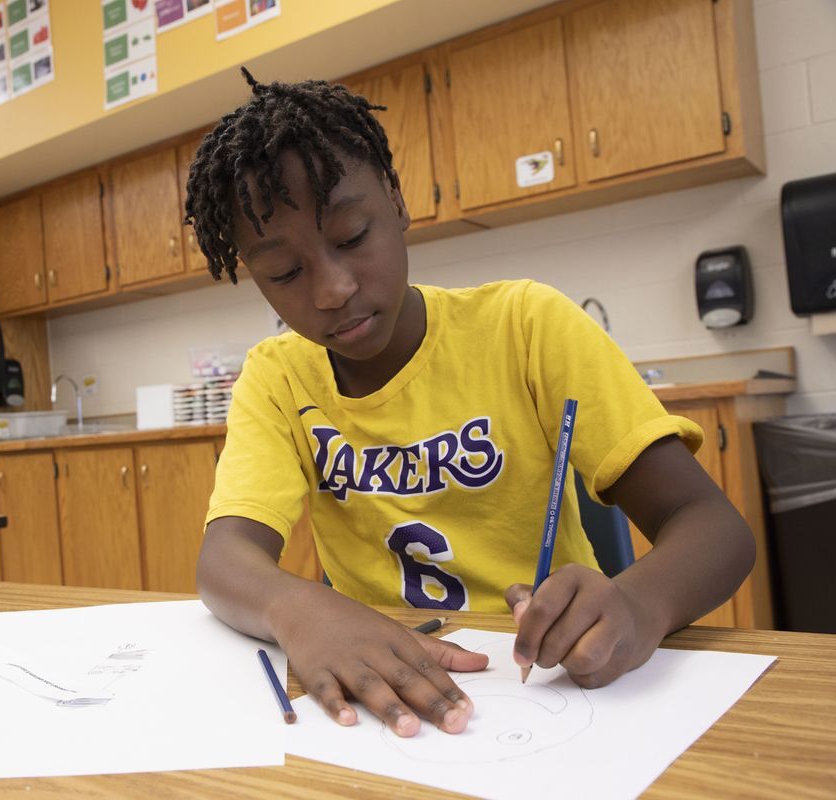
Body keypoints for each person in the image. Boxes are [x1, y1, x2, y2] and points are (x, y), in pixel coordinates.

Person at [184, 69, 756, 738]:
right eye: (284, 273)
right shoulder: (277, 378)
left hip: (551, 693)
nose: (333, 288)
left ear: (396, 204)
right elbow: (224, 559)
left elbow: (716, 529)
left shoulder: (525, 326)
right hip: (383, 700)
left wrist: (637, 604)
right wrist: (300, 609)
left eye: (350, 236)